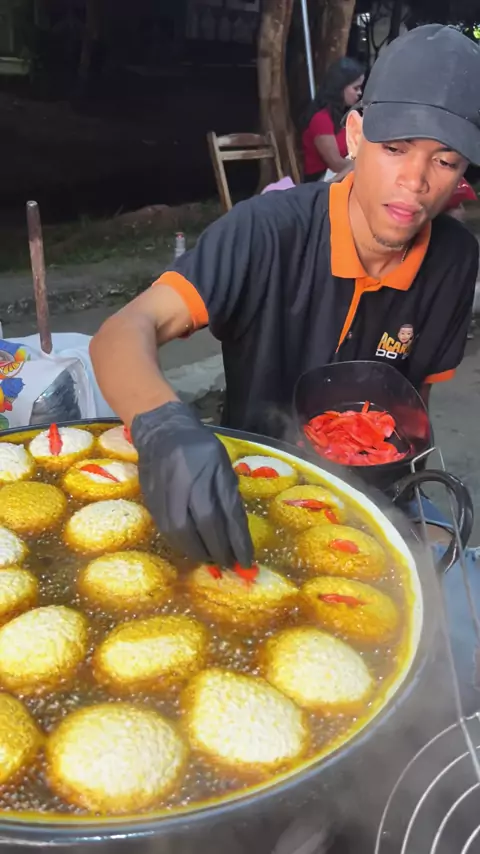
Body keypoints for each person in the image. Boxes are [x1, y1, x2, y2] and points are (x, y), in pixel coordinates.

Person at [90, 24, 480, 570]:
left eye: (445, 161)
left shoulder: (454, 259)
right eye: (395, 148)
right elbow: (121, 333)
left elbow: (415, 410)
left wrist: (411, 511)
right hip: (248, 487)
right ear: (354, 136)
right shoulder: (266, 232)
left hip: (379, 499)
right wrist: (163, 428)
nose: (415, 182)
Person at [302, 57, 364, 183]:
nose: (360, 93)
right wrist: (362, 163)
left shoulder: (343, 115)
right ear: (340, 87)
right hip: (321, 182)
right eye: (356, 88)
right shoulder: (321, 119)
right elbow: (336, 164)